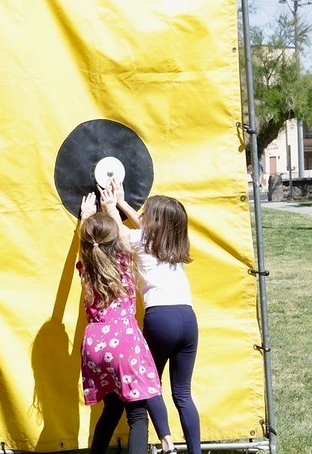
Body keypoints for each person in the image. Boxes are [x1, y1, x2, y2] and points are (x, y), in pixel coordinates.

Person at [77, 187, 172, 454]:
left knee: (111, 408)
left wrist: (86, 218)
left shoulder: (86, 266)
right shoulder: (123, 261)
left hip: (94, 344)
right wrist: (111, 207)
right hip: (124, 343)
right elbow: (138, 237)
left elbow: (89, 245)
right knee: (138, 415)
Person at [112, 180, 201, 454]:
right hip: (187, 318)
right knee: (183, 394)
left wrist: (111, 206)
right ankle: (195, 451)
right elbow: (142, 229)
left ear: (156, 221)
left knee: (149, 384)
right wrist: (123, 201)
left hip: (160, 318)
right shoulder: (173, 245)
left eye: (146, 213)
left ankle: (167, 442)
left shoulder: (140, 241)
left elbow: (117, 232)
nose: (142, 216)